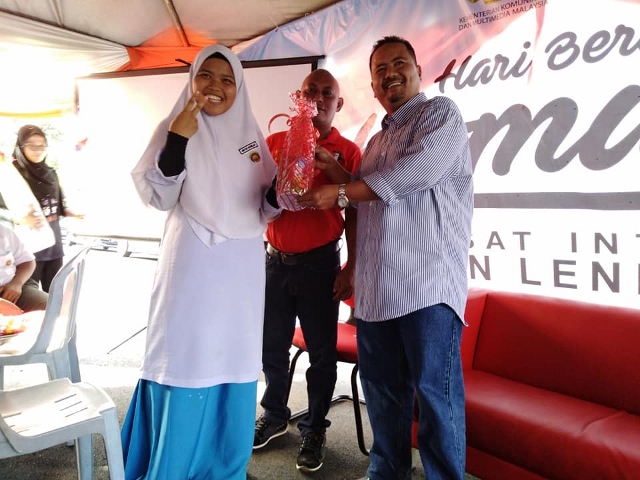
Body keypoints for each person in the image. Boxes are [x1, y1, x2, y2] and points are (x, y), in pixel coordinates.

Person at [298, 35, 474, 480]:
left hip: (426, 287)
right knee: (382, 396)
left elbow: (410, 176)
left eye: (399, 64)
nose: (390, 74)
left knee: (435, 399)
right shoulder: (377, 140)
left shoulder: (440, 114)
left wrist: (338, 190)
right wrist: (335, 170)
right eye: (380, 70)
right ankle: (387, 472)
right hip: (377, 294)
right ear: (374, 87)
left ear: (418, 71)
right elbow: (364, 198)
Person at [122, 44, 280, 480]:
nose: (216, 86)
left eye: (227, 79)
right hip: (192, 263)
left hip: (242, 270)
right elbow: (160, 196)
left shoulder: (251, 138)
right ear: (192, 80)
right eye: (206, 75)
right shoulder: (175, 125)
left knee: (234, 355)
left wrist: (282, 184)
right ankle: (173, 465)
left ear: (239, 88)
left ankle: (223, 465)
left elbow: (267, 206)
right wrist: (178, 140)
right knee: (188, 353)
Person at [253, 69, 361, 473]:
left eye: (326, 93)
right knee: (272, 346)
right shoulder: (275, 142)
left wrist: (352, 266)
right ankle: (275, 414)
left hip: (320, 266)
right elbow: (253, 197)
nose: (317, 98)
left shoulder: (347, 152)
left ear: (338, 103)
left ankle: (314, 428)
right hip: (275, 261)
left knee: (321, 354)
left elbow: (358, 210)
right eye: (310, 91)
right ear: (298, 96)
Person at [12, 125, 84, 292]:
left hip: (53, 245)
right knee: (26, 295)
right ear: (21, 146)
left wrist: (72, 213)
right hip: (26, 250)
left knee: (53, 294)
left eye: (42, 145)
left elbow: (57, 206)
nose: (38, 150)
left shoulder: (51, 173)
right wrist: (21, 218)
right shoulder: (13, 175)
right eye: (32, 145)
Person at [0, 223, 48, 312]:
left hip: (11, 288)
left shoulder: (4, 232)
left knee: (53, 307)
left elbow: (27, 261)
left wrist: (16, 283)